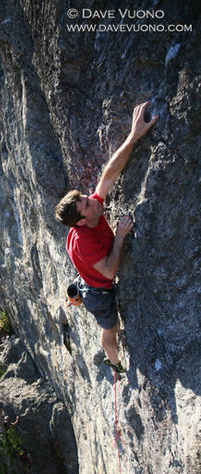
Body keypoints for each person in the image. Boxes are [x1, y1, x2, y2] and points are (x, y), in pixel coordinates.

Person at [55, 102, 158, 373]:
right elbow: (110, 271)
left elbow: (109, 174)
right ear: (82, 221)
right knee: (110, 326)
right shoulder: (84, 241)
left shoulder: (91, 210)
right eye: (88, 205)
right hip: (98, 292)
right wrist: (121, 236)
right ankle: (113, 362)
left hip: (90, 274)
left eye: (87, 198)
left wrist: (134, 136)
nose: (94, 200)